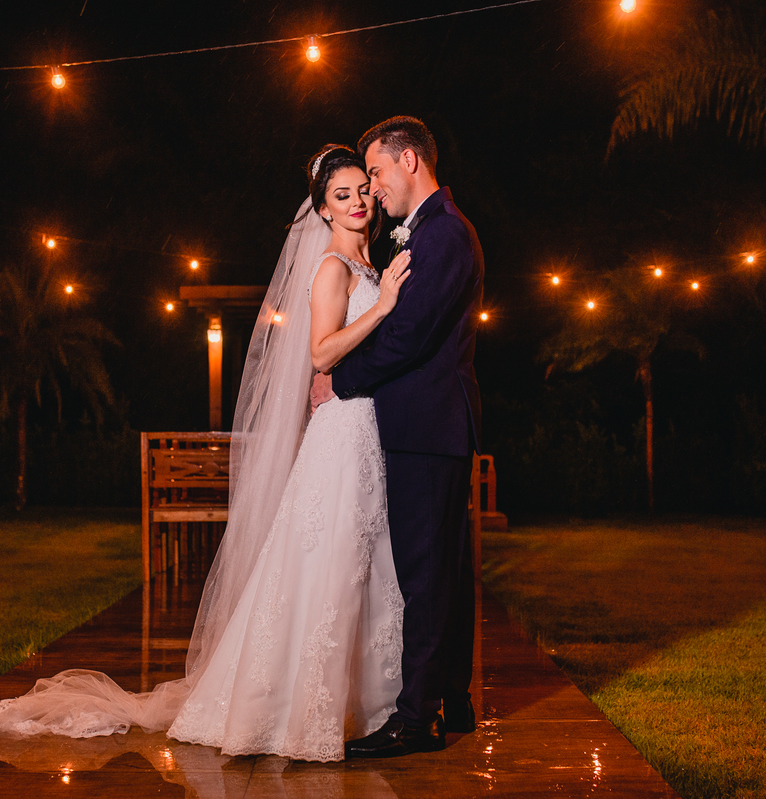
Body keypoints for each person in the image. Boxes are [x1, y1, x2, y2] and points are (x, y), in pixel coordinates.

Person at [0, 144, 414, 763]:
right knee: (326, 560)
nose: (357, 203)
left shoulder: (368, 261)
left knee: (359, 561)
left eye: (361, 191)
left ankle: (363, 703)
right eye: (341, 196)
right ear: (322, 209)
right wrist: (382, 308)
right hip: (340, 434)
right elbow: (323, 354)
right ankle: (296, 708)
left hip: (362, 431)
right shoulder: (332, 267)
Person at [310, 116, 484, 759]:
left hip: (427, 425)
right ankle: (452, 700)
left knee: (425, 572)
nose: (372, 190)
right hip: (426, 425)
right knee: (440, 569)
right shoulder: (431, 233)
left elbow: (409, 338)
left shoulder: (443, 236)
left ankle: (417, 720)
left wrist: (342, 378)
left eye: (376, 173)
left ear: (409, 161)